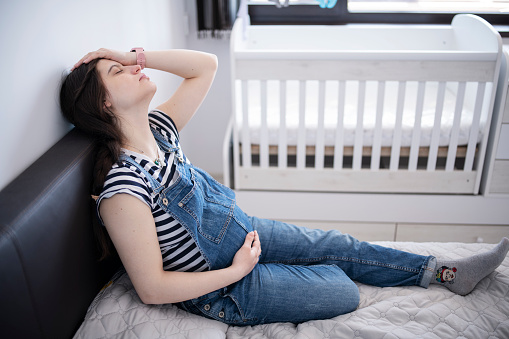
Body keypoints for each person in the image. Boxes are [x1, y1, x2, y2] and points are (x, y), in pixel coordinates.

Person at [60, 48, 509, 326]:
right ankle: (317, 272)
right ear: (104, 103)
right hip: (220, 287)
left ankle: (444, 273)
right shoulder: (124, 186)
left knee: (339, 244)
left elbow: (205, 67)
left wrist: (127, 54)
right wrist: (238, 271)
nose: (136, 68)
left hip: (243, 230)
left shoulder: (161, 130)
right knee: (343, 289)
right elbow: (153, 288)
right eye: (120, 71)